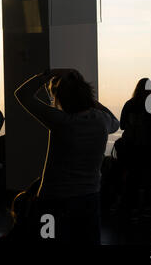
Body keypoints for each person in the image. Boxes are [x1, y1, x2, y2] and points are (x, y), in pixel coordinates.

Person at [14, 69, 119, 244]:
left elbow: (22, 94)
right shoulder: (102, 121)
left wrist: (51, 73)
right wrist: (91, 101)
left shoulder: (60, 121)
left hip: (53, 199)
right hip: (89, 198)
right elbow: (116, 121)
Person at [120, 78, 151, 219]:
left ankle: (131, 208)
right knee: (150, 180)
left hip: (131, 149)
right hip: (150, 149)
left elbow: (122, 125)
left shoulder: (129, 105)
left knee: (133, 180)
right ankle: (146, 208)